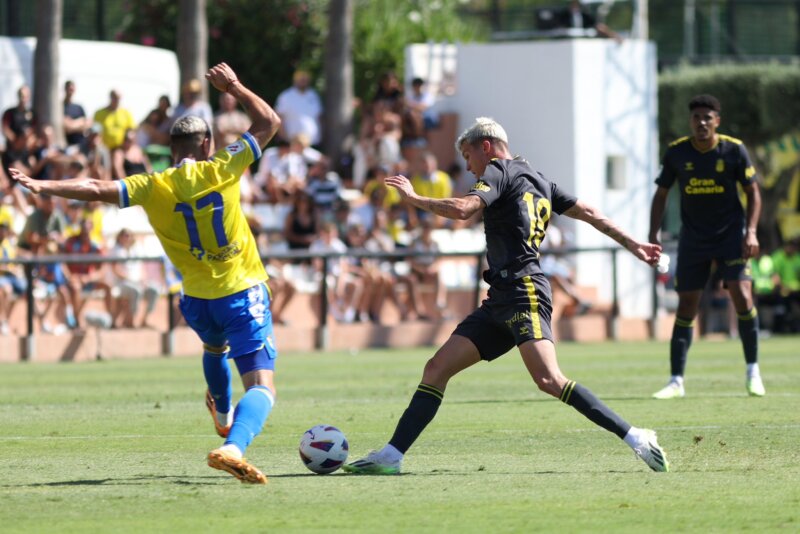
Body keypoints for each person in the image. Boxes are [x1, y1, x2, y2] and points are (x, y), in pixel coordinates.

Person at [343, 117, 669, 475]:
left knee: (549, 380)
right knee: (436, 368)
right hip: (500, 298)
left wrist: (414, 198)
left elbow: (464, 210)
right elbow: (588, 212)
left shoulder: (498, 170)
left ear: (486, 147)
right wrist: (634, 243)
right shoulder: (538, 178)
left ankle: (636, 436)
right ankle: (392, 455)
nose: (468, 167)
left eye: (468, 157)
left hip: (523, 292)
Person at [10, 62, 282, 485]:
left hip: (195, 300)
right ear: (207, 143)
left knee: (214, 350)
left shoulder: (151, 185)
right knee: (263, 386)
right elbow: (269, 121)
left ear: (171, 148)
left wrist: (44, 186)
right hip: (241, 292)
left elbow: (97, 188)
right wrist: (234, 86)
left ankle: (223, 415)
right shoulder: (223, 166)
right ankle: (233, 444)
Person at [649, 94, 765, 399]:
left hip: (731, 236)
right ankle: (676, 380)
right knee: (687, 304)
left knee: (741, 294)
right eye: (696, 117)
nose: (701, 122)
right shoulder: (677, 153)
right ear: (691, 121)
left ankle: (753, 370)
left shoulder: (734, 150)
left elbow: (753, 193)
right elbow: (661, 195)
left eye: (707, 117)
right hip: (694, 238)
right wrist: (654, 233)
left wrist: (750, 232)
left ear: (717, 121)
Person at [275, 70, 323, 146]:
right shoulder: (286, 96)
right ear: (295, 80)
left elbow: (319, 117)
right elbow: (279, 117)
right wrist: (284, 138)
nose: (303, 81)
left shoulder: (313, 95)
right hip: (293, 144)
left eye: (305, 79)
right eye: (301, 79)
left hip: (313, 142)